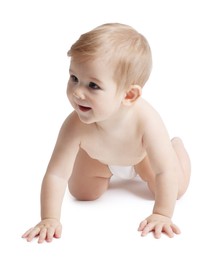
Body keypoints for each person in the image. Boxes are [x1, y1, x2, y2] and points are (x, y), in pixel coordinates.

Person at [22, 23, 191, 243]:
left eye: (93, 85)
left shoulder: (146, 120)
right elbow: (56, 174)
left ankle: (175, 146)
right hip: (99, 160)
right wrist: (49, 218)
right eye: (74, 78)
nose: (77, 92)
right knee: (82, 193)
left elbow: (165, 172)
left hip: (143, 158)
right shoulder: (75, 125)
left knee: (174, 187)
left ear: (129, 95)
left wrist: (162, 214)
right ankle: (104, 172)